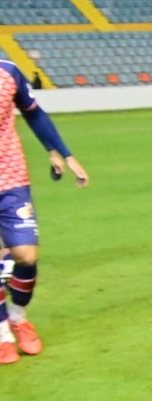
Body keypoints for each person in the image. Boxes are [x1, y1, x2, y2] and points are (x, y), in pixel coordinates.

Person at [0, 57, 89, 364]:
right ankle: (2, 334)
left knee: (26, 255)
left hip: (10, 177)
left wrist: (61, 152)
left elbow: (33, 114)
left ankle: (17, 315)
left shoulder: (8, 71)